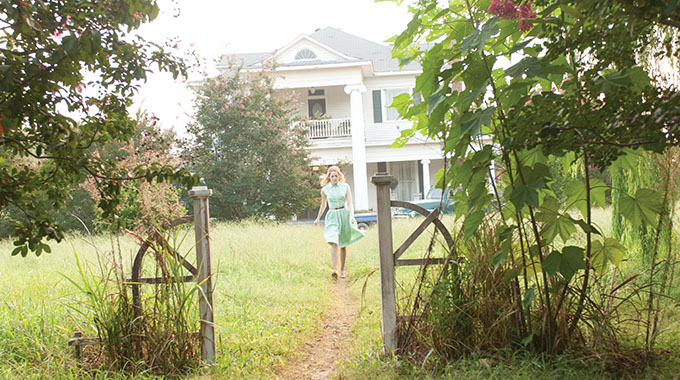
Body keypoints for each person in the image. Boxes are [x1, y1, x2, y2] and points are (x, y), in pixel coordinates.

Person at [314, 166, 364, 279]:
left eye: (336, 176)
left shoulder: (345, 187)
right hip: (332, 215)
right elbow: (323, 205)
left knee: (343, 244)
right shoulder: (325, 190)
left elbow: (350, 202)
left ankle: (342, 270)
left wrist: (352, 216)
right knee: (333, 241)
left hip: (343, 214)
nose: (334, 178)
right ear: (329, 177)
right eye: (332, 176)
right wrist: (317, 218)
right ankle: (335, 270)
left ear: (339, 176)